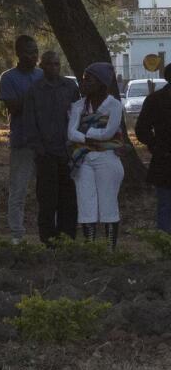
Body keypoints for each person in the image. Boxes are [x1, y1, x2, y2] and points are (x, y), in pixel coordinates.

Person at [23, 50, 81, 243]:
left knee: (68, 200)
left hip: (67, 153)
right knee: (47, 201)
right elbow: (29, 122)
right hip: (45, 154)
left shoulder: (70, 87)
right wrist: (39, 149)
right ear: (42, 66)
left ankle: (67, 238)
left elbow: (78, 116)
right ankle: (48, 241)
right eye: (49, 64)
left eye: (56, 64)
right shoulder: (34, 90)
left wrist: (74, 147)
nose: (53, 67)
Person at [68, 61, 126, 247]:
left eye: (88, 80)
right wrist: (93, 138)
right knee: (86, 204)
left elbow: (109, 133)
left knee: (108, 203)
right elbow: (70, 133)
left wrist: (85, 134)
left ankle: (109, 250)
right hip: (84, 159)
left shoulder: (114, 105)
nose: (82, 84)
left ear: (101, 83)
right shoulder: (78, 105)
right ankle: (91, 248)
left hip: (107, 158)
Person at [0, 35, 43, 243]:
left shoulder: (43, 74)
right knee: (18, 189)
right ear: (18, 53)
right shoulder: (8, 78)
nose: (33, 56)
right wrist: (35, 96)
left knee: (47, 189)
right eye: (28, 51)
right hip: (22, 141)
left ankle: (48, 233)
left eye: (35, 51)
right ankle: (17, 234)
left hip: (45, 142)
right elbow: (13, 108)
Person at [134, 63, 171, 233]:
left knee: (165, 204)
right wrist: (155, 145)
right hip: (164, 158)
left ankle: (165, 241)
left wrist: (155, 145)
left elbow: (141, 129)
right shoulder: (155, 99)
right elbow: (141, 129)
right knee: (165, 204)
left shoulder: (155, 99)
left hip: (163, 157)